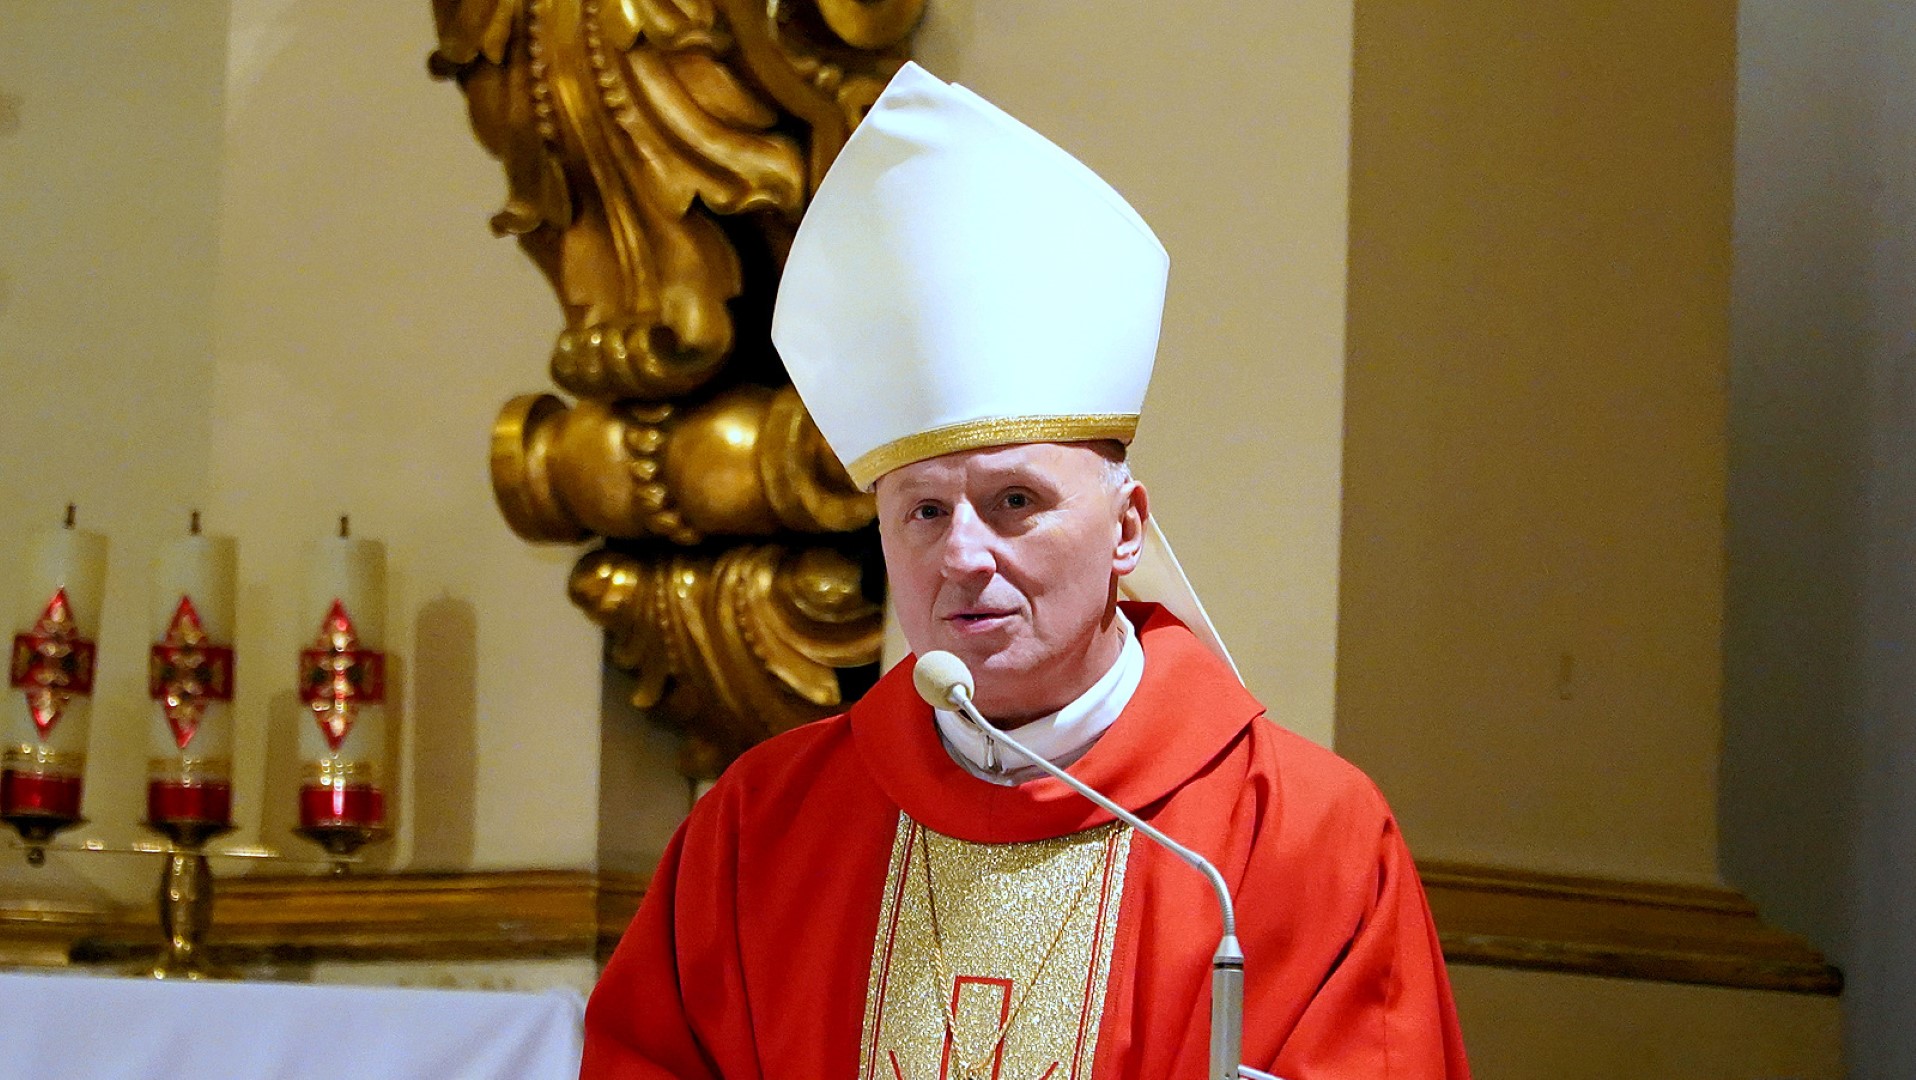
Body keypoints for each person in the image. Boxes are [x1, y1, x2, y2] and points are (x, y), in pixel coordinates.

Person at [581, 62, 1471, 1080]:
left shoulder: (1294, 835)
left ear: (1126, 528)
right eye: (924, 512)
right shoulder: (763, 828)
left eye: (1014, 502)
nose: (963, 555)